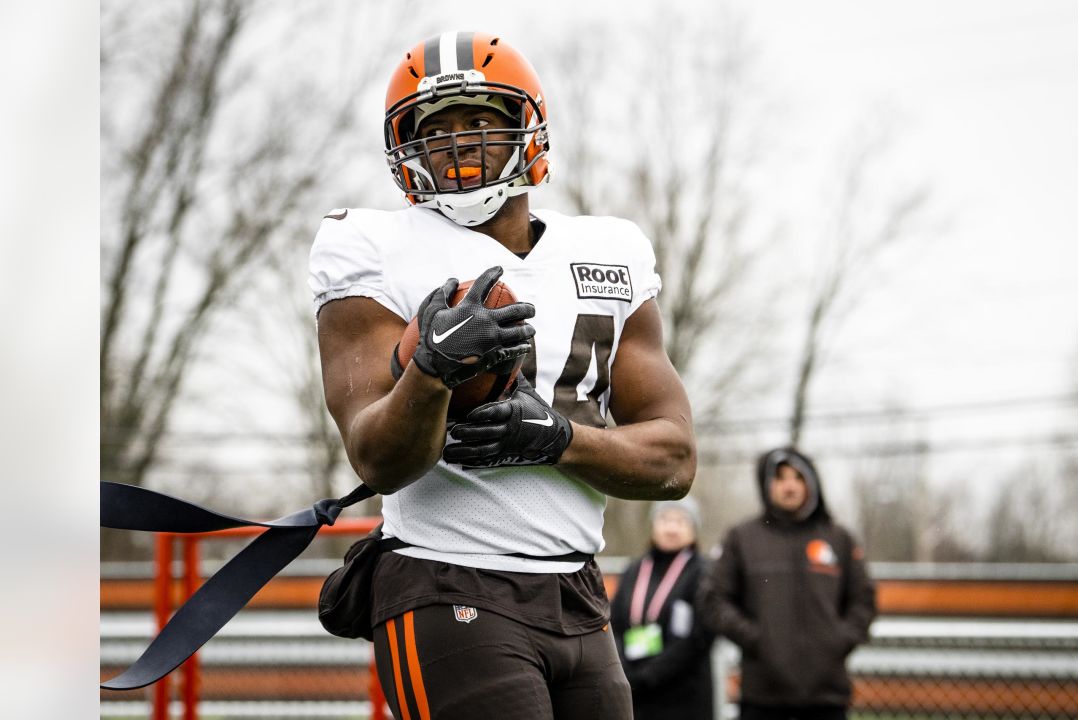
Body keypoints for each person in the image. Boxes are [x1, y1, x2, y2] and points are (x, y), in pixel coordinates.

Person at [309, 31, 696, 720]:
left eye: (481, 122)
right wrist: (430, 371)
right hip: (443, 572)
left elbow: (673, 459)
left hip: (578, 590)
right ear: (406, 149)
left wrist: (555, 439)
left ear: (528, 129)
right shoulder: (367, 245)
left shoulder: (610, 250)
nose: (458, 144)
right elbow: (376, 455)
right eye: (438, 129)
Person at [699, 448, 877, 720]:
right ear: (767, 483)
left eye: (798, 477)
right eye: (780, 477)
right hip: (762, 695)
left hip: (826, 697)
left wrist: (837, 640)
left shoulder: (838, 538)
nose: (789, 485)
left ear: (811, 483)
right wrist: (757, 639)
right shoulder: (742, 538)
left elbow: (863, 599)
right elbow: (713, 599)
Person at [610, 499, 714, 720]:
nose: (671, 528)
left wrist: (649, 676)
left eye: (681, 521)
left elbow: (698, 638)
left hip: (683, 696)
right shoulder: (634, 570)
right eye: (665, 519)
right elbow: (614, 622)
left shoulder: (703, 573)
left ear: (694, 531)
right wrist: (627, 672)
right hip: (636, 692)